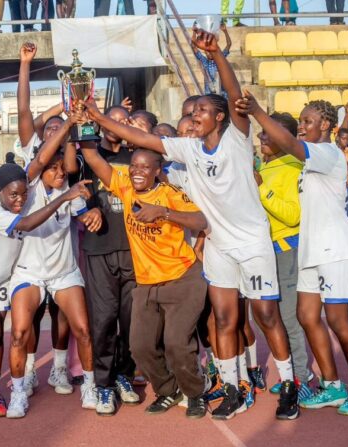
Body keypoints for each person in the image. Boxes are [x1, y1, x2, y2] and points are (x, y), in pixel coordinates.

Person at [83, 28, 299, 421]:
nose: (194, 116)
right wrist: (97, 117)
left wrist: (216, 55)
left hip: (252, 243)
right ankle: (233, 389)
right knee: (224, 320)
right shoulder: (188, 149)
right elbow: (139, 137)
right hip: (218, 245)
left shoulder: (236, 139)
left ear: (220, 117)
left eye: (201, 111)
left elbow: (235, 96)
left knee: (266, 316)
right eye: (192, 111)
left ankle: (289, 385)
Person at [236, 93, 348, 416]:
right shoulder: (308, 160)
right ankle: (331, 385)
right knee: (306, 316)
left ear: (325, 125)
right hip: (312, 250)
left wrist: (257, 111)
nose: (302, 126)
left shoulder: (326, 152)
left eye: (307, 121)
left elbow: (290, 143)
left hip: (336, 248)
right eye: (300, 121)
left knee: (338, 321)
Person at [79, 139, 210, 418]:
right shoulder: (125, 185)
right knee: (140, 347)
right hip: (147, 283)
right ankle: (168, 390)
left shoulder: (170, 193)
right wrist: (83, 124)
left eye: (145, 167)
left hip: (181, 278)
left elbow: (200, 221)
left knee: (176, 344)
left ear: (157, 171)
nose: (137, 171)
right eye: (134, 166)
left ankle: (194, 393)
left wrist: (163, 212)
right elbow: (92, 157)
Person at [6, 114, 102, 419]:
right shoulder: (29, 186)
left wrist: (93, 214)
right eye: (53, 168)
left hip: (63, 272)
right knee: (19, 333)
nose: (60, 173)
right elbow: (39, 159)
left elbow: (84, 214)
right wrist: (68, 122)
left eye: (62, 168)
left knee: (83, 330)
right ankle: (18, 391)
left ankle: (89, 387)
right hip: (29, 272)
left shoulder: (69, 190)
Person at [65, 105, 140, 416]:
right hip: (100, 249)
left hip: (134, 250)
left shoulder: (138, 158)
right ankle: (103, 384)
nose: (116, 125)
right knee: (104, 319)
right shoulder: (88, 157)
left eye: (123, 121)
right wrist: (78, 120)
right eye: (112, 120)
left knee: (131, 321)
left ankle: (124, 374)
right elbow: (72, 172)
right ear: (101, 123)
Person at [255, 112, 313, 400]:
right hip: (266, 250)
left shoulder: (292, 166)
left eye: (269, 132)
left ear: (284, 137)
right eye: (262, 131)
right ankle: (290, 373)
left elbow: (292, 216)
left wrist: (261, 188)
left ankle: (302, 376)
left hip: (286, 248)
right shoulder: (266, 166)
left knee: (288, 317)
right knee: (270, 317)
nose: (261, 136)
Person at [192, 23, 231, 96]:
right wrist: (194, 32)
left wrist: (225, 31)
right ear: (205, 52)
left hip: (221, 94)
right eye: (207, 51)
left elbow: (228, 44)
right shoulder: (204, 61)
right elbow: (194, 46)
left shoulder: (220, 59)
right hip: (208, 94)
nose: (209, 53)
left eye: (210, 51)